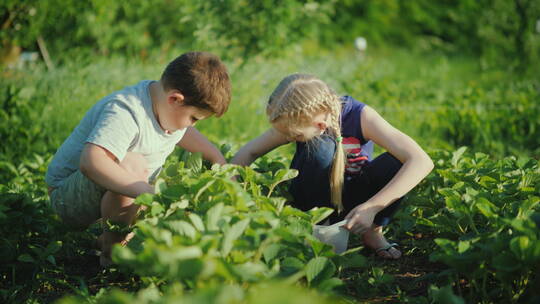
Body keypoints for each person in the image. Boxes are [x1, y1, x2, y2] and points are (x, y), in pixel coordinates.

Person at [45, 52, 231, 266]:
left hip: (114, 196)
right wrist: (148, 192)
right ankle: (112, 255)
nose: (192, 125)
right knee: (133, 164)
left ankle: (107, 237)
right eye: (194, 118)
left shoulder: (166, 107)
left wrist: (218, 159)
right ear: (175, 99)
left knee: (168, 203)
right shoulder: (125, 111)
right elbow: (92, 162)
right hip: (68, 199)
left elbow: (186, 133)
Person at [231, 74, 433, 259]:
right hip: (313, 200)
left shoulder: (360, 116)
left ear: (320, 124)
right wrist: (232, 189)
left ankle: (373, 231)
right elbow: (250, 152)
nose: (291, 139)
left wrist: (371, 208)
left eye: (296, 136)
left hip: (354, 200)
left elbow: (421, 161)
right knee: (320, 149)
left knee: (397, 162)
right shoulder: (296, 119)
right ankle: (316, 228)